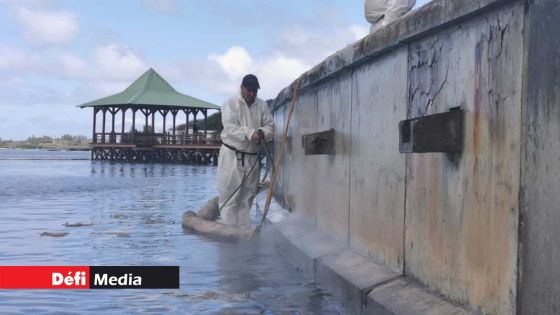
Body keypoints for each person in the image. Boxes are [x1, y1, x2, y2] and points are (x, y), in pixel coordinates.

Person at [217, 74, 274, 227]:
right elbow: (230, 128)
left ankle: (242, 232)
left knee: (248, 197)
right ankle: (229, 234)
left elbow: (270, 126)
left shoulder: (262, 105)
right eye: (249, 90)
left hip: (252, 157)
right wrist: (250, 133)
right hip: (232, 156)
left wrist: (261, 132)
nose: (252, 93)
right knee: (230, 196)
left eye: (255, 90)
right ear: (242, 88)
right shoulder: (230, 103)